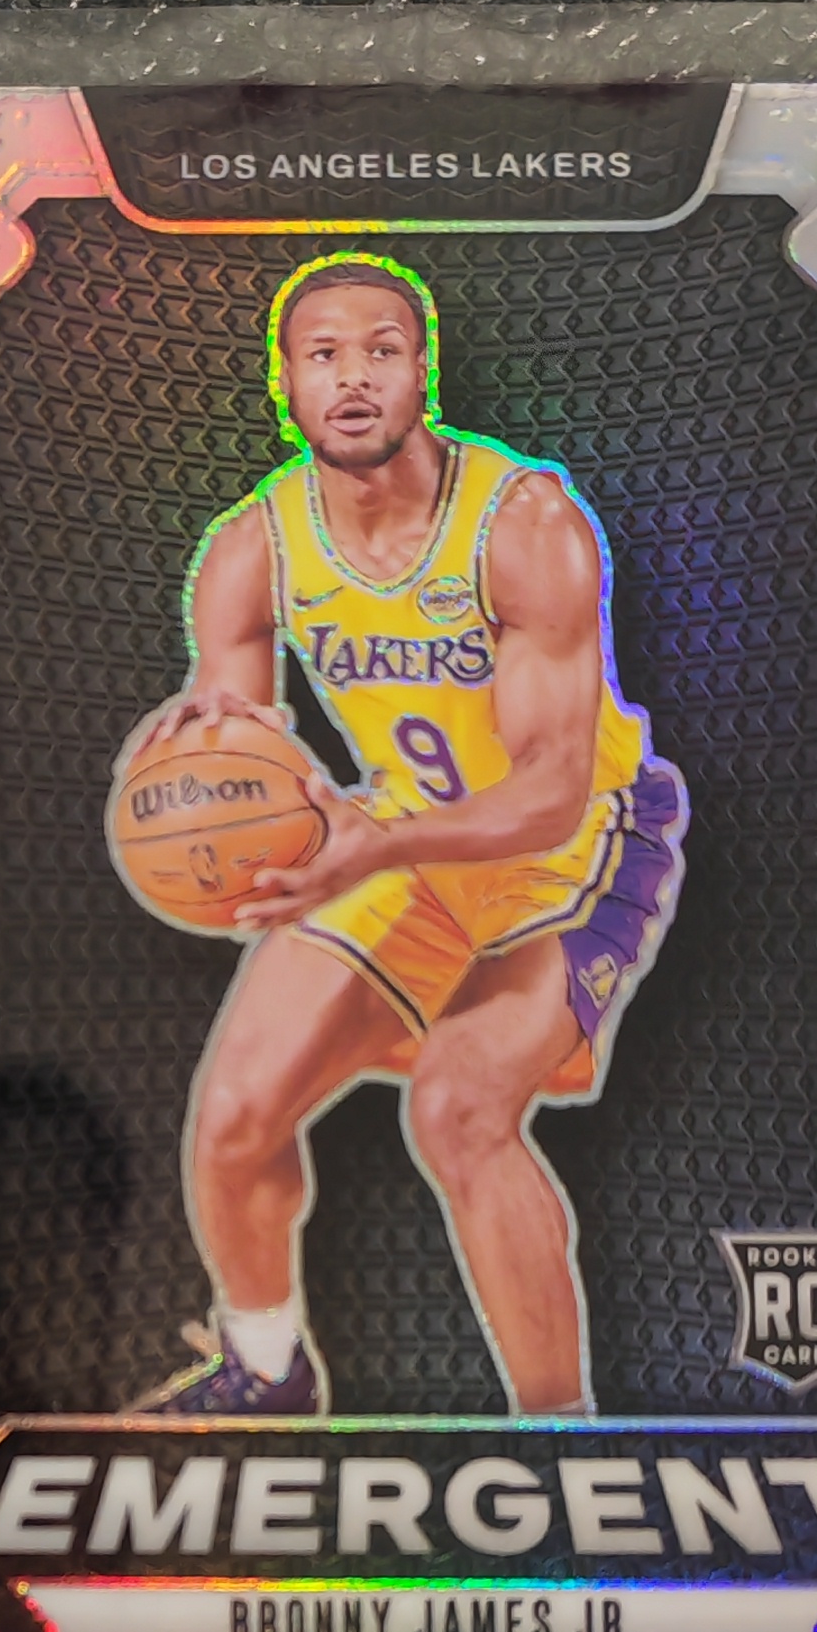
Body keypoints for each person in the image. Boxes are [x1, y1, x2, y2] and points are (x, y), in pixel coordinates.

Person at [129, 253, 683, 1421]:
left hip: (576, 850)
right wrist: (206, 774)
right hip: (404, 837)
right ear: (285, 383)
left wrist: (371, 847)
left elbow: (551, 789)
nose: (354, 377)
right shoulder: (249, 547)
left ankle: (563, 1439)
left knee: (457, 1106)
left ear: (423, 371)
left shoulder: (525, 524)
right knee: (234, 1119)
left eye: (381, 351)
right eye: (323, 355)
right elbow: (239, 746)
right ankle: (266, 1371)